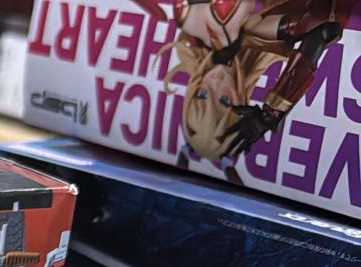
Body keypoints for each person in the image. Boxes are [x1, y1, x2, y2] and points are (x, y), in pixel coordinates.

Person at [139, 0, 344, 164]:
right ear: (239, 98)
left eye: (202, 95)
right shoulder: (254, 32)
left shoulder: (190, 23)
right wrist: (272, 112)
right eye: (225, 100)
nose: (214, 84)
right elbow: (319, 27)